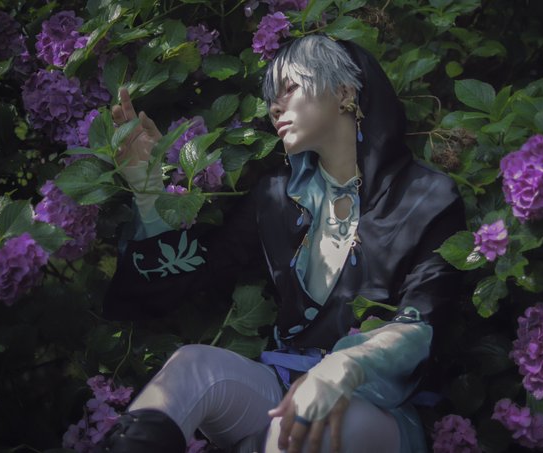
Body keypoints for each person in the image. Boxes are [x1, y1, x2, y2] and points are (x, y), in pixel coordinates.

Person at [100, 34, 466, 453]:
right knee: (192, 365)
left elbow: (422, 322)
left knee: (296, 431)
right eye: (271, 97)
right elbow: (198, 269)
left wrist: (345, 364)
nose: (275, 106)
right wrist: (148, 189)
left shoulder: (427, 196)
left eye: (289, 88)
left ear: (345, 93)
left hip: (378, 407)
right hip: (281, 386)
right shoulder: (276, 196)